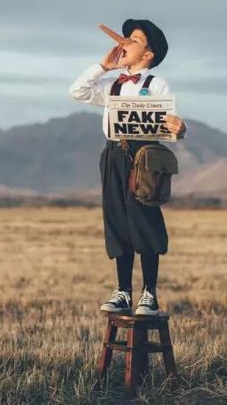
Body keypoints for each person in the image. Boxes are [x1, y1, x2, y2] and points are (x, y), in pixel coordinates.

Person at [68, 18, 186, 316]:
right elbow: (78, 92)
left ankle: (149, 292)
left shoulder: (155, 84)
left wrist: (179, 127)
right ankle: (122, 290)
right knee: (117, 218)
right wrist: (103, 67)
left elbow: (169, 126)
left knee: (144, 218)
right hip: (114, 155)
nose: (124, 43)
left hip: (145, 156)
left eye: (133, 40)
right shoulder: (112, 85)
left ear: (148, 54)